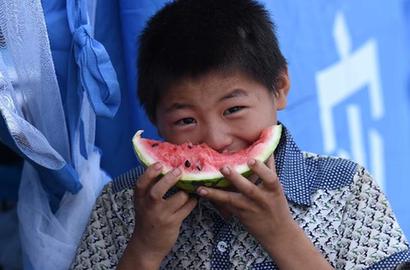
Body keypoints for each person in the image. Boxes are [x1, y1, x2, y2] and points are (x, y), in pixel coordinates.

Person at [70, 0, 410, 269]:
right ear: (155, 120)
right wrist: (144, 250)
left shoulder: (347, 188)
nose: (216, 140)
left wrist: (281, 234)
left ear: (280, 88)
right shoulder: (119, 205)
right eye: (186, 120)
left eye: (233, 110)